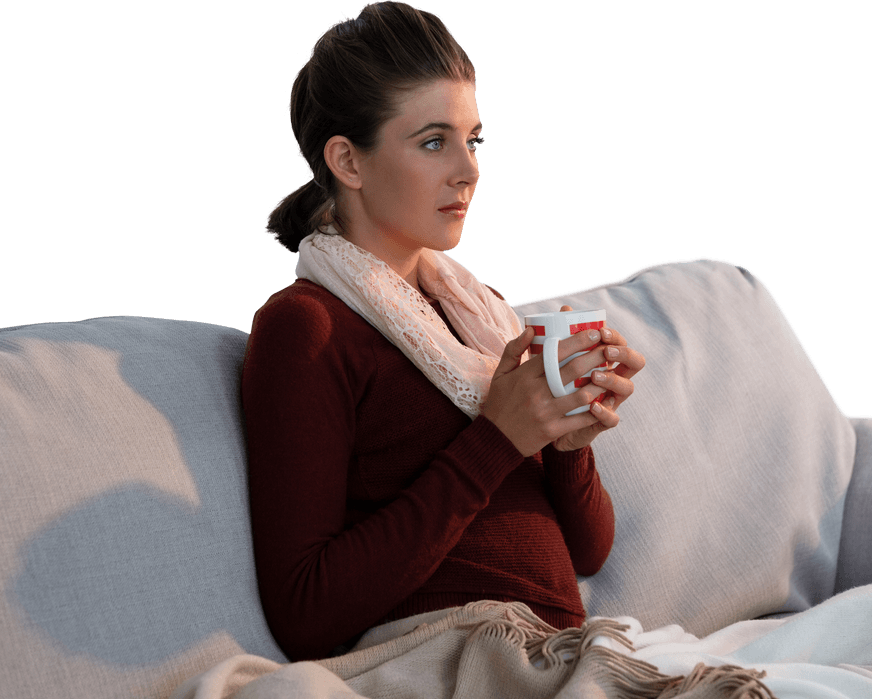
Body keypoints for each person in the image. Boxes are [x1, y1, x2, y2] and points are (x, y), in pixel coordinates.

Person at [242, 0, 646, 662]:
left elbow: (590, 551)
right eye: (434, 141)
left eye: (473, 138)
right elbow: (303, 611)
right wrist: (499, 438)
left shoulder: (481, 314)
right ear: (348, 160)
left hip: (561, 650)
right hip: (460, 657)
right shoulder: (305, 329)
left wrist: (570, 440)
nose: (469, 168)